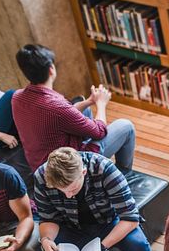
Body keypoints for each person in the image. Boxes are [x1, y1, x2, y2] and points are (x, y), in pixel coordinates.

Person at [33, 148, 153, 251]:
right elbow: (48, 217)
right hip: (69, 227)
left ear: (83, 172)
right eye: (61, 191)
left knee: (139, 245)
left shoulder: (105, 169)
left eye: (73, 189)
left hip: (108, 223)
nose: (69, 195)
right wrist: (46, 239)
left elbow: (130, 219)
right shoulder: (41, 177)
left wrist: (101, 248)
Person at [12, 44, 136, 172]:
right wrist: (101, 103)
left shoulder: (17, 97)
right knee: (126, 127)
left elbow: (63, 115)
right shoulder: (56, 107)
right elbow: (100, 131)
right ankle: (123, 174)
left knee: (85, 109)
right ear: (51, 69)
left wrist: (89, 101)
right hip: (68, 171)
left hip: (43, 167)